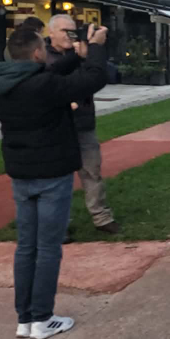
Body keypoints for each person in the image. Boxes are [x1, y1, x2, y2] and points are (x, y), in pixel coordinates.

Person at [0, 24, 108, 339]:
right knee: (48, 248)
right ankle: (42, 318)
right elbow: (94, 79)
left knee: (26, 247)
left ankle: (25, 318)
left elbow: (50, 75)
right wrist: (96, 47)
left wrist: (74, 55)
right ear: (37, 53)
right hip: (52, 173)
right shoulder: (42, 85)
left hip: (21, 172)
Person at [45, 15, 118, 234]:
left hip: (83, 121)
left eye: (73, 31)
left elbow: (105, 75)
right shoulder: (43, 56)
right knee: (57, 177)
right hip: (56, 125)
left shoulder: (83, 52)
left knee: (92, 170)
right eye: (64, 31)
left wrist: (92, 52)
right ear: (51, 33)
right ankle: (61, 223)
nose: (70, 35)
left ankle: (101, 216)